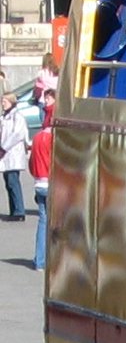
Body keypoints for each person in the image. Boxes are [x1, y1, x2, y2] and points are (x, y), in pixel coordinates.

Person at [29, 88, 54, 269]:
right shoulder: (53, 138)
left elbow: (31, 165)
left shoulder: (37, 137)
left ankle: (39, 260)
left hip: (39, 182)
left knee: (43, 222)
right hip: (52, 183)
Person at [0, 92, 30, 221]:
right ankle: (14, 210)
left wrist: (4, 147)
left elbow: (17, 134)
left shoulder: (17, 117)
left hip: (12, 154)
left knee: (13, 182)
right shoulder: (4, 117)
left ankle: (19, 212)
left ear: (11, 102)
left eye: (4, 101)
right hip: (6, 155)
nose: (2, 104)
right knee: (8, 183)